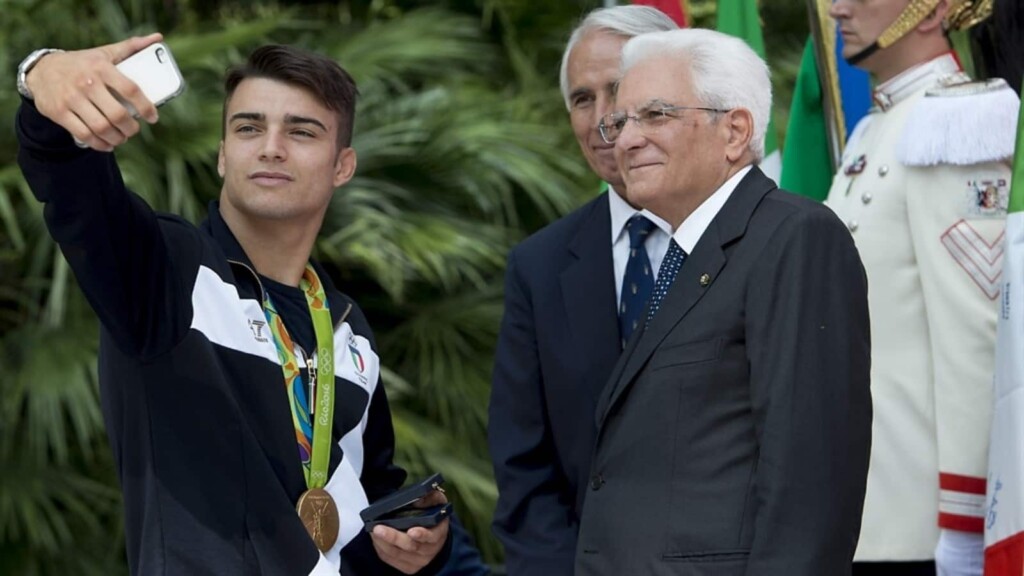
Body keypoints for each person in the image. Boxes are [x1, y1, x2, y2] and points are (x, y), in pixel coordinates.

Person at [15, 34, 452, 575]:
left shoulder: (346, 327)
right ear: (223, 155)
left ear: (343, 166)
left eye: (301, 131)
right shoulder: (164, 270)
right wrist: (43, 76)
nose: (271, 146)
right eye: (248, 128)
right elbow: (70, 181)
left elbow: (365, 507)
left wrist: (416, 546)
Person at [575, 28, 872, 576]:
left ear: (734, 131)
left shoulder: (795, 237)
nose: (624, 141)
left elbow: (809, 483)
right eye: (622, 122)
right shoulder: (683, 252)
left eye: (656, 115)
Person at [826, 0, 1020, 573]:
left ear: (931, 8)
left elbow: (974, 340)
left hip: (917, 530)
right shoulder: (872, 127)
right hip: (863, 511)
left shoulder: (959, 121)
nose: (837, 8)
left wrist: (962, 528)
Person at [487, 6, 677, 575]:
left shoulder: (759, 240)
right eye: (581, 99)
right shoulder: (539, 266)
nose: (602, 119)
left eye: (617, 90)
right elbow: (525, 466)